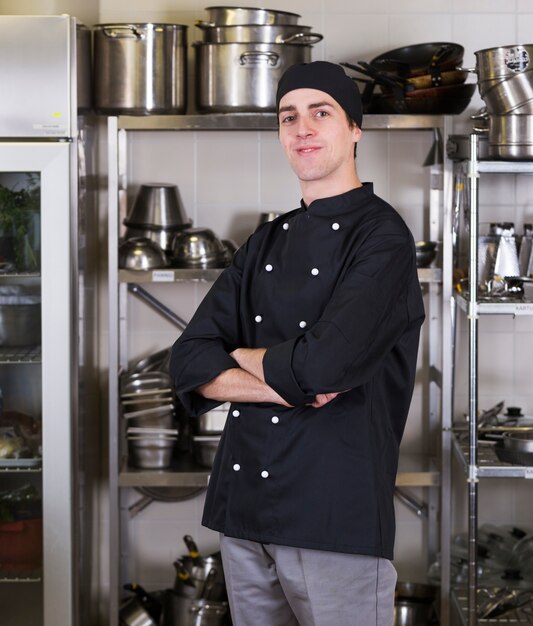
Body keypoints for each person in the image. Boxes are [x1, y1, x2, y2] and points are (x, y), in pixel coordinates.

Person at [169, 61, 425, 626]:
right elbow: (188, 359)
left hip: (334, 514)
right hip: (244, 512)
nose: (302, 128)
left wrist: (238, 359)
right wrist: (285, 381)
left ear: (355, 128)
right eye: (289, 117)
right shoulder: (266, 239)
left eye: (321, 112)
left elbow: (325, 364)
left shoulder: (383, 237)